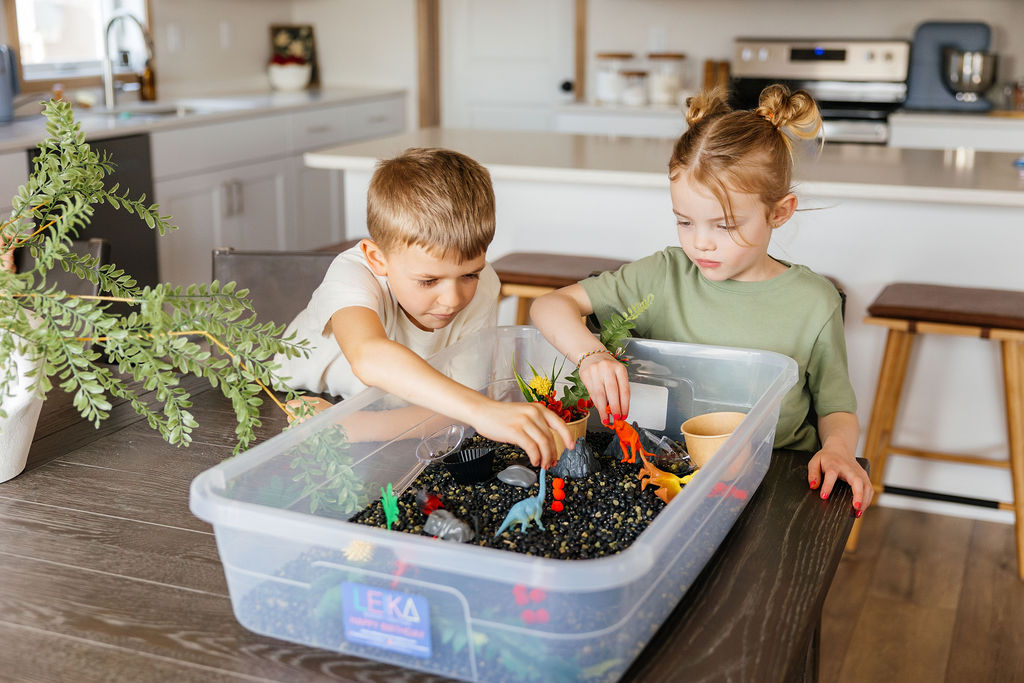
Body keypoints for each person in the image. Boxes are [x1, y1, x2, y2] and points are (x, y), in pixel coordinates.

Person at [530, 85, 873, 514]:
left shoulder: (814, 302)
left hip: (777, 473)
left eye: (725, 225)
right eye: (684, 221)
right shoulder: (664, 273)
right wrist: (591, 356)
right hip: (670, 467)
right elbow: (548, 306)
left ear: (780, 212)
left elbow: (836, 406)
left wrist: (838, 450)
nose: (701, 244)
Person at [276, 147, 570, 468]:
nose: (453, 299)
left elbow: (455, 410)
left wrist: (353, 427)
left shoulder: (484, 285)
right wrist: (481, 409)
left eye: (469, 274)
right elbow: (368, 355)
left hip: (373, 414)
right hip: (288, 404)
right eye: (429, 281)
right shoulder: (354, 273)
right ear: (378, 259)